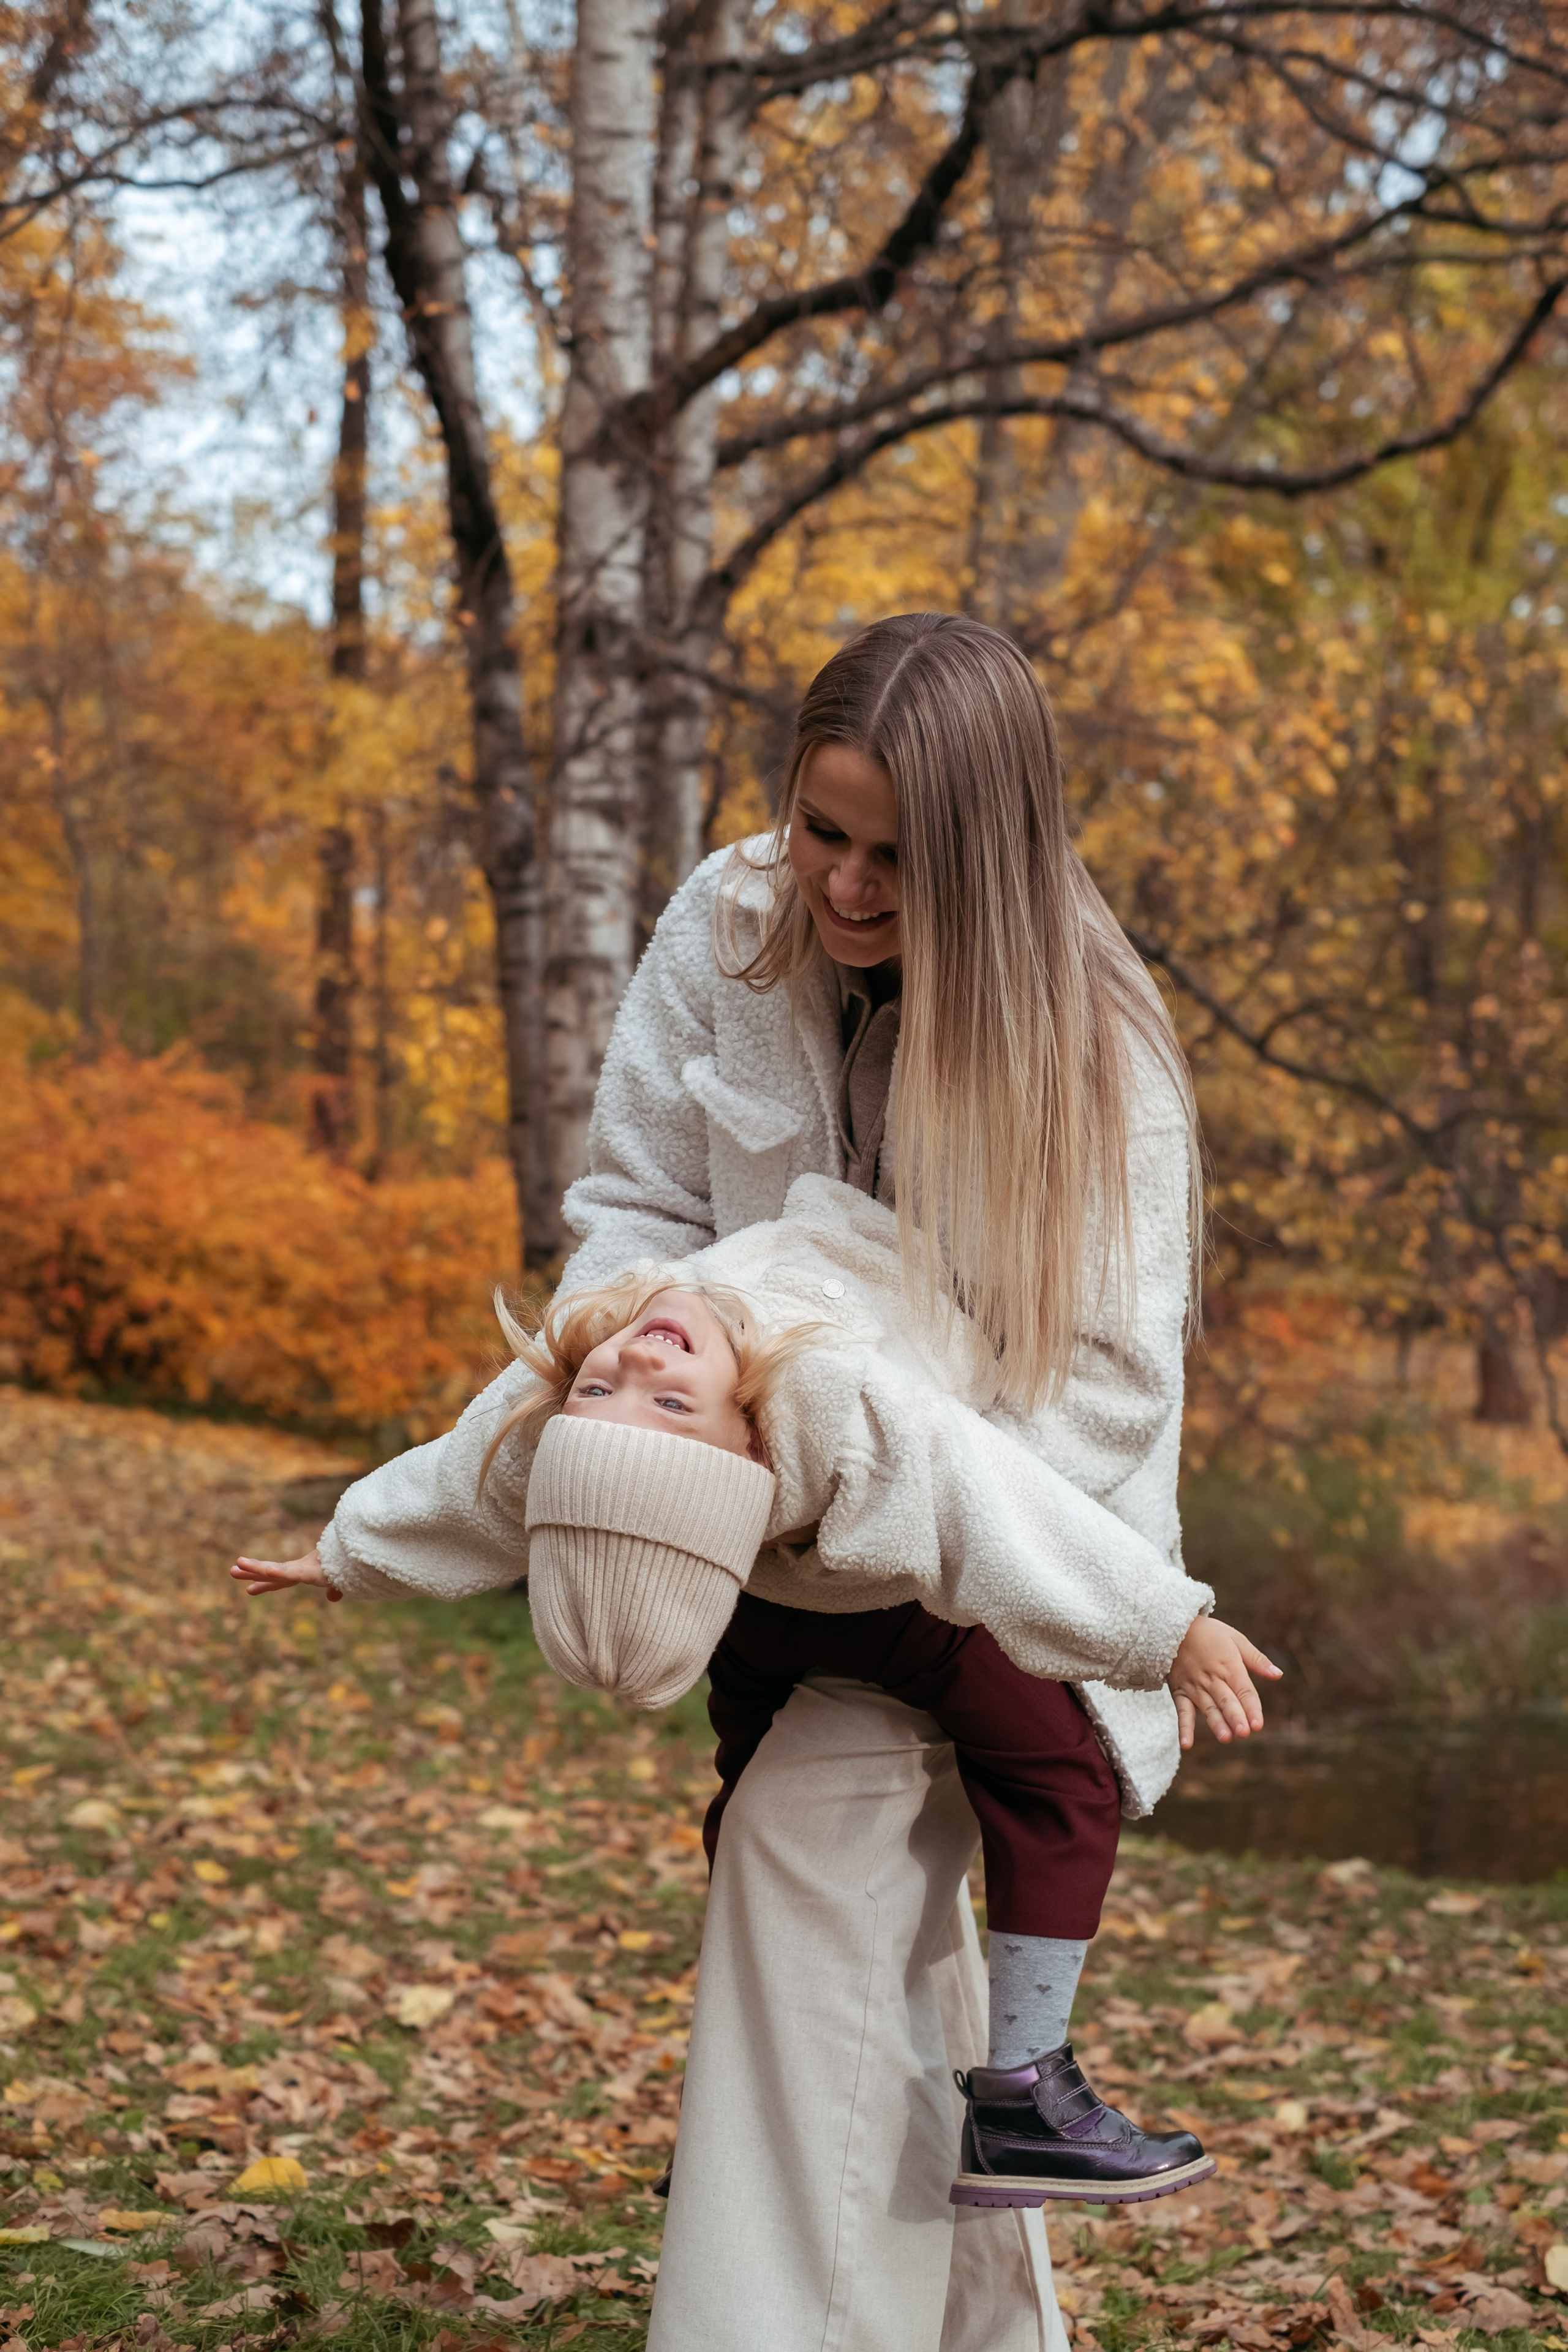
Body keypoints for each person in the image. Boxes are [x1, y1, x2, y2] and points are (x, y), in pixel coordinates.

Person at [238, 614, 1248, 2350]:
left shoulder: (1101, 1061)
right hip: (732, 1547)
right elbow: (631, 1214)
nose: (843, 888)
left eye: (896, 861)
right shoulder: (721, 927)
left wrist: (843, 1466)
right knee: (858, 1950)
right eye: (819, 829)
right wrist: (656, 1398)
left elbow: (1100, 1409)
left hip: (983, 1577)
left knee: (805, 1864)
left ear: (990, 859)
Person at [235, 1172, 1280, 2204]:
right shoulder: (823, 1398)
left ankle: (902, 2096)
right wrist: (1163, 1624)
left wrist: (343, 1549)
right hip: (835, 1611)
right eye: (663, 1399)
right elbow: (988, 1510)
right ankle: (943, 2097)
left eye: (610, 1389)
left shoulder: (640, 1383)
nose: (633, 1363)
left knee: (920, 1779)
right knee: (1039, 1775)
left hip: (827, 1604)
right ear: (742, 1443)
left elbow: (473, 1476)